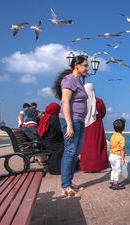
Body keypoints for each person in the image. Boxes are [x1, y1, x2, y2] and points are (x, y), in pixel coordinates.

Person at [53, 55, 89, 197]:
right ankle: (65, 186)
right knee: (70, 151)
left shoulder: (79, 81)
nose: (87, 68)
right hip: (71, 120)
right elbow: (65, 102)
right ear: (76, 66)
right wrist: (69, 125)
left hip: (79, 121)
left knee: (75, 152)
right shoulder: (69, 80)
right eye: (85, 65)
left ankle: (68, 182)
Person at [80, 83, 109, 172]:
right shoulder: (99, 101)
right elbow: (103, 112)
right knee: (98, 145)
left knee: (85, 146)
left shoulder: (81, 102)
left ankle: (86, 167)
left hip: (84, 126)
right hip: (96, 125)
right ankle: (99, 166)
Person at [38, 102, 64, 175]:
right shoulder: (54, 118)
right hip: (52, 143)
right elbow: (61, 130)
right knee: (64, 147)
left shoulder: (45, 118)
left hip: (45, 142)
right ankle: (56, 170)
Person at [109, 118, 126, 190]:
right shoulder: (121, 138)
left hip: (111, 155)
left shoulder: (113, 136)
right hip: (117, 156)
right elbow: (122, 149)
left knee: (113, 169)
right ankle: (116, 184)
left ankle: (112, 182)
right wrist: (123, 158)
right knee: (118, 170)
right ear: (123, 128)